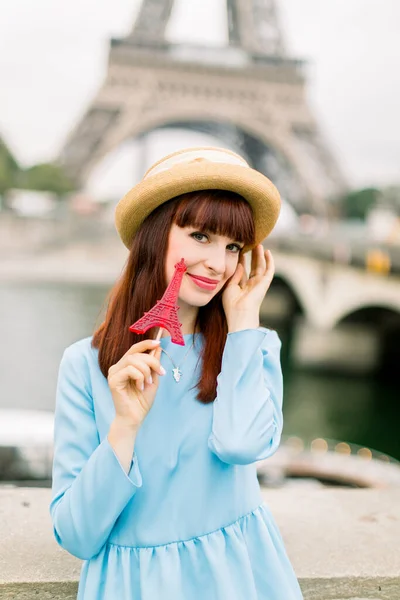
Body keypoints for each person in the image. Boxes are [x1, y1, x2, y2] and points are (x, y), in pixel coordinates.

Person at [49, 146, 303, 599]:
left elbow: (241, 445)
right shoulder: (86, 366)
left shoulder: (250, 350)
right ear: (155, 235)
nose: (218, 263)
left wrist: (244, 323)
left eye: (233, 247)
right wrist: (124, 427)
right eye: (200, 235)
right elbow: (77, 535)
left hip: (240, 579)